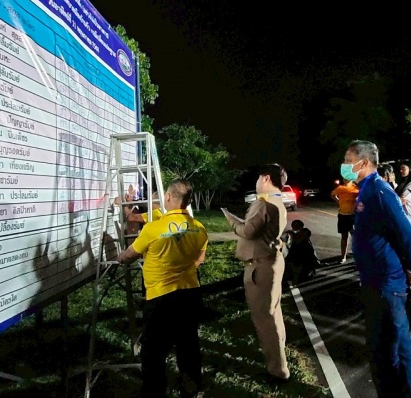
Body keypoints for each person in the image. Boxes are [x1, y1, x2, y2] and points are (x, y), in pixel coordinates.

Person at [342, 140, 411, 398]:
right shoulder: (366, 190)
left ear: (364, 163)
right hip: (374, 280)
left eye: (348, 161)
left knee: (394, 349)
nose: (344, 166)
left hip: (387, 284)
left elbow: (407, 235)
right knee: (381, 348)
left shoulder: (380, 192)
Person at [116, 180, 208, 398]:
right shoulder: (199, 228)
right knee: (188, 344)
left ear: (168, 197)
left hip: (161, 297)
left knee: (153, 350)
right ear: (189, 201)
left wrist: (119, 258)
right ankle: (191, 388)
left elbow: (129, 255)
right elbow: (199, 259)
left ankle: (154, 391)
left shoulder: (153, 228)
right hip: (190, 293)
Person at [222, 164, 290, 381]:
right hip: (271, 262)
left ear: (266, 178)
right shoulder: (278, 201)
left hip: (260, 267)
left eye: (259, 178)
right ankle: (279, 355)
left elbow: (247, 231)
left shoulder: (264, 203)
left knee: (264, 318)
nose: (257, 182)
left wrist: (230, 218)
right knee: (273, 312)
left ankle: (277, 370)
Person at [330, 179, 359, 263]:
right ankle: (343, 257)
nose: (346, 179)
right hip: (342, 215)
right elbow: (332, 195)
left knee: (355, 237)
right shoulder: (340, 188)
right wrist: (338, 201)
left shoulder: (356, 188)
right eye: (345, 177)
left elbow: (362, 196)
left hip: (353, 216)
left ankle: (357, 255)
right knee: (344, 237)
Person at [282, 220, 319, 284]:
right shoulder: (293, 238)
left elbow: (307, 261)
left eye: (300, 235)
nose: (298, 236)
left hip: (303, 271)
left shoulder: (305, 246)